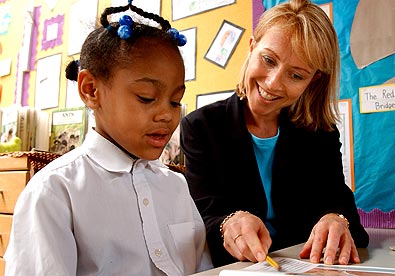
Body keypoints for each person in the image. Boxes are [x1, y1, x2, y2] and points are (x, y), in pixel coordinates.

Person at [4, 1, 213, 275]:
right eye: (147, 98)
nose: (167, 115)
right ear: (91, 89)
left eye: (175, 101)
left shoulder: (175, 186)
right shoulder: (55, 192)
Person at [180, 0, 369, 268]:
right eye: (268, 60)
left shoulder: (320, 133)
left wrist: (336, 219)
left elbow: (339, 203)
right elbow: (205, 215)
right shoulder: (201, 126)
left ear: (313, 80)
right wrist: (228, 223)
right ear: (251, 46)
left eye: (296, 75)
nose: (272, 83)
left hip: (309, 268)